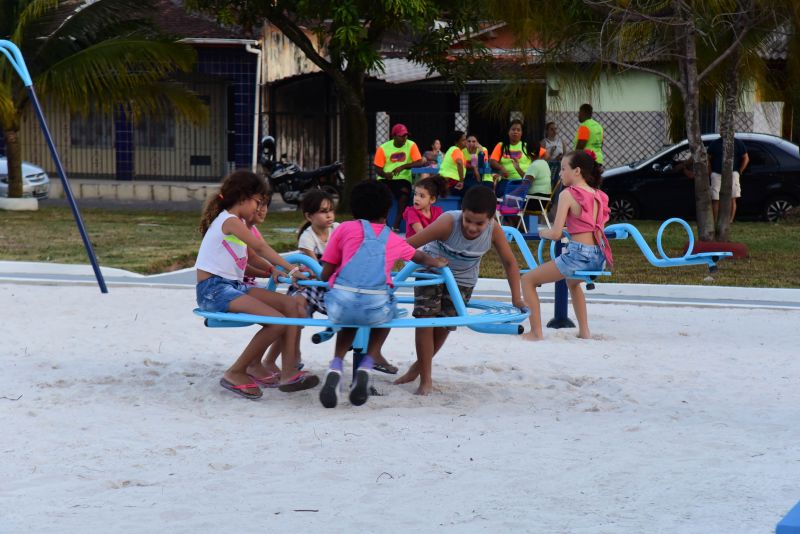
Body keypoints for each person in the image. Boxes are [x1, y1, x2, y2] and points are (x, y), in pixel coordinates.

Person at [318, 181, 447, 408]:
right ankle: (367, 362)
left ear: (355, 209)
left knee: (349, 320)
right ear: (387, 212)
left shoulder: (344, 229)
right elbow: (418, 257)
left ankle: (336, 365)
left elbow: (325, 271)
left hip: (341, 302)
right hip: (374, 304)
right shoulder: (392, 238)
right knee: (389, 314)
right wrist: (435, 261)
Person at [195, 170, 319, 399]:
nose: (259, 208)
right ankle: (237, 371)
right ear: (243, 197)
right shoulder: (229, 220)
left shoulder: (237, 222)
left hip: (231, 286)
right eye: (258, 202)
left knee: (291, 306)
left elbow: (251, 257)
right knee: (277, 322)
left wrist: (273, 270)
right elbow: (261, 248)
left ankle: (289, 372)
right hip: (213, 290)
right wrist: (291, 269)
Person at [395, 186, 526, 395]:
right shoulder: (448, 222)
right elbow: (406, 246)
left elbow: (510, 263)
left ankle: (417, 368)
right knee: (425, 319)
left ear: (491, 219)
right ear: (462, 213)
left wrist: (516, 298)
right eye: (468, 220)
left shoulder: (494, 231)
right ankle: (425, 381)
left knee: (445, 325)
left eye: (479, 223)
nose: (472, 228)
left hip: (463, 279)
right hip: (432, 271)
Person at [520, 150, 613, 341]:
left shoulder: (568, 194)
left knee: (527, 280)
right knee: (572, 283)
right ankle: (584, 331)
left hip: (578, 256)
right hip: (598, 256)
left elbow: (554, 234)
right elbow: (590, 225)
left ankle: (536, 332)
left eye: (563, 169)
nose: (560, 174)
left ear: (577, 171)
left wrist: (541, 232)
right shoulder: (599, 195)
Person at [374, 123, 425, 231]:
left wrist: (403, 166)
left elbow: (419, 162)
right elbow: (377, 169)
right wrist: (385, 174)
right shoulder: (383, 148)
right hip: (385, 178)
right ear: (394, 136)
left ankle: (396, 225)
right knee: (381, 196)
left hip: (403, 178)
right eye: (401, 135)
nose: (404, 138)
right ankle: (382, 224)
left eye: (406, 135)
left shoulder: (411, 145)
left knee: (404, 194)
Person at [707, 135, 749, 224]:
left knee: (732, 197)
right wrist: (710, 171)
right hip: (717, 173)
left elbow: (746, 158)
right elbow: (708, 158)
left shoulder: (738, 143)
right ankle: (715, 221)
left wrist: (740, 170)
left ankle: (730, 221)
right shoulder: (715, 143)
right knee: (715, 198)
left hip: (732, 173)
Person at [490, 119, 532, 194]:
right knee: (501, 195)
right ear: (508, 132)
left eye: (518, 130)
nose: (515, 132)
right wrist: (501, 167)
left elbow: (545, 154)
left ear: (521, 133)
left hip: (522, 181)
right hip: (506, 181)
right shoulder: (501, 145)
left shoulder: (527, 146)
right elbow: (492, 161)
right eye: (513, 129)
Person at [573, 104, 605, 169]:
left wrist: (574, 160)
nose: (578, 115)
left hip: (587, 160)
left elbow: (581, 146)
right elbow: (601, 144)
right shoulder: (599, 126)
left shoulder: (585, 126)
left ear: (583, 113)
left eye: (579, 113)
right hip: (598, 160)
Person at [438, 131, 467, 195]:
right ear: (456, 142)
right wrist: (461, 181)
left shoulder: (452, 149)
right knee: (472, 191)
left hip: (445, 183)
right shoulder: (456, 149)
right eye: (463, 140)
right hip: (451, 184)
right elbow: (459, 163)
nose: (466, 142)